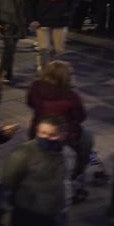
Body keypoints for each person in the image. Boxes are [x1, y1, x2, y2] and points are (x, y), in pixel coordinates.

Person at [25, 60, 89, 201]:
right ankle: (76, 176)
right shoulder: (71, 96)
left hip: (37, 131)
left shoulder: (35, 87)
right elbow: (80, 116)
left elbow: (29, 103)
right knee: (86, 141)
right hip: (63, 136)